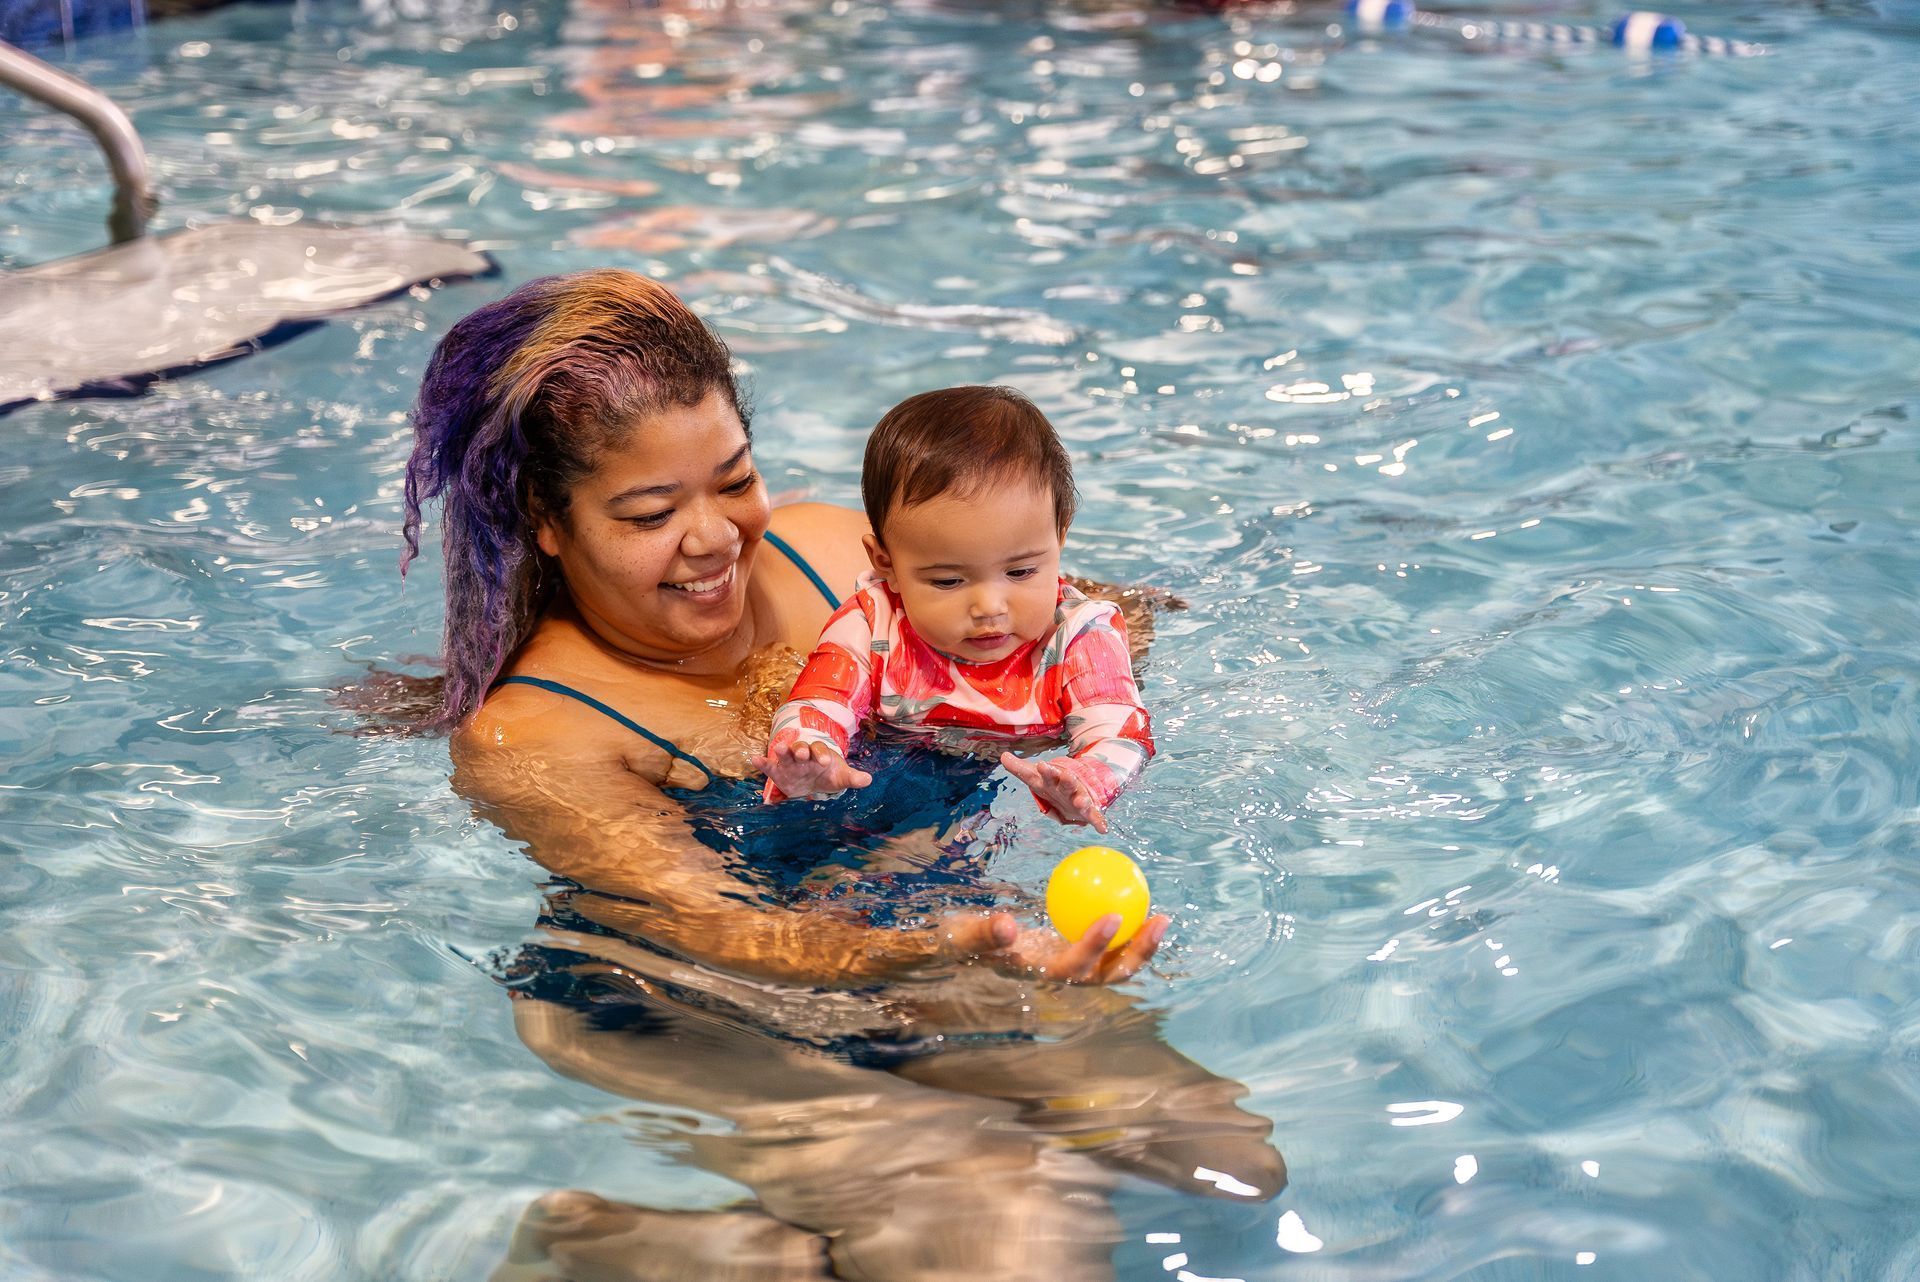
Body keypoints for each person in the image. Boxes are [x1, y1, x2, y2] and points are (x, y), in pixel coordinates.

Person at [400, 269, 1284, 1281]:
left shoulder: (833, 558)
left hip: (920, 931)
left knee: (1226, 1158)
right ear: (547, 521)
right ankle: (613, 1252)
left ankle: (774, 1257)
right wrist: (952, 942)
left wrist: (1088, 700)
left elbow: (1078, 616)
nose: (715, 538)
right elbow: (729, 933)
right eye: (650, 512)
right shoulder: (538, 733)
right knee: (1008, 1216)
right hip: (683, 1000)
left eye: (734, 479)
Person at [755, 386, 1153, 836]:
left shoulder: (1079, 638)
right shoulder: (873, 624)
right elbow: (817, 701)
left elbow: (1119, 733)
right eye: (948, 581)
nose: (989, 607)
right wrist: (810, 753)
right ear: (885, 563)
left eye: (1021, 572)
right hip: (904, 753)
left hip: (1021, 765)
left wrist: (1086, 779)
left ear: (1060, 537)